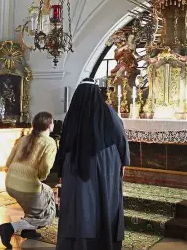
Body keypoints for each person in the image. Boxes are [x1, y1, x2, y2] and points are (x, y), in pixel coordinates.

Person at [54, 78, 130, 250]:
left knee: (80, 205)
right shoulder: (108, 112)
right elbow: (120, 138)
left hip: (75, 164)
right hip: (106, 163)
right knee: (105, 202)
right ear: (98, 94)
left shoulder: (72, 114)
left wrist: (60, 169)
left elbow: (64, 143)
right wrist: (123, 162)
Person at [0, 111, 57, 249]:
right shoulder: (50, 142)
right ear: (49, 125)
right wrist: (39, 178)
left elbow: (8, 163)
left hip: (10, 183)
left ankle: (29, 230)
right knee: (47, 216)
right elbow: (46, 167)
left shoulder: (24, 138)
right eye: (53, 122)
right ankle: (10, 228)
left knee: (46, 191)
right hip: (27, 187)